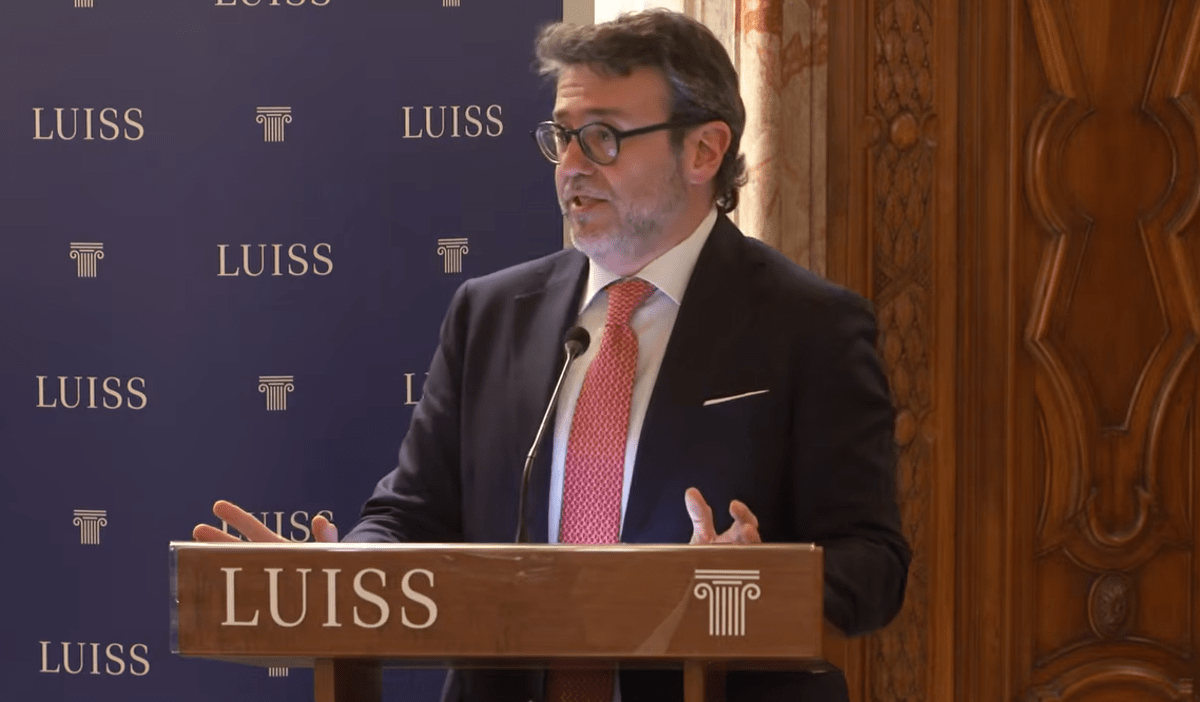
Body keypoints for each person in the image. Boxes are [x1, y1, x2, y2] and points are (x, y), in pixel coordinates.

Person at [195, 9, 910, 702]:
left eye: (602, 137)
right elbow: (412, 513)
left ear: (704, 151)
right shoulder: (491, 312)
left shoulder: (810, 325)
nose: (570, 166)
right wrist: (334, 576)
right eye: (562, 136)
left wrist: (761, 580)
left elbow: (873, 564)